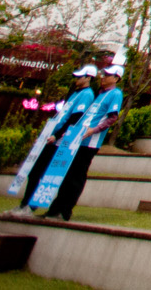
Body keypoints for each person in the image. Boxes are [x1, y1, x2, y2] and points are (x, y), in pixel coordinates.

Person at [41, 59, 124, 220]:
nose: (103, 77)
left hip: (90, 142)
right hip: (78, 139)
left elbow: (112, 117)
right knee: (68, 174)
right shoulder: (100, 94)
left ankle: (65, 211)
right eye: (104, 74)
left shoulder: (116, 93)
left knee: (76, 176)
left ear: (116, 78)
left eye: (108, 75)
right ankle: (55, 209)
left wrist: (93, 130)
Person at [11, 65, 94, 212]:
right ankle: (26, 204)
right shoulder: (75, 93)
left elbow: (75, 118)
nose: (76, 79)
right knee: (36, 171)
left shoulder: (86, 94)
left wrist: (57, 135)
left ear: (88, 78)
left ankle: (29, 206)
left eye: (80, 77)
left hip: (59, 141)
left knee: (39, 171)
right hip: (52, 138)